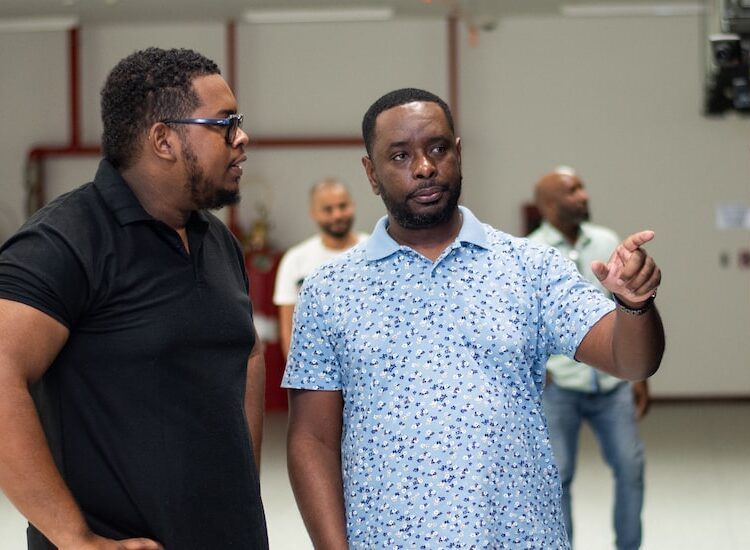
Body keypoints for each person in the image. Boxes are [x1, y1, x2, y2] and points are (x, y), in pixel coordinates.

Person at [283, 88, 665, 549]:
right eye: (400, 155)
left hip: (521, 538)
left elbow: (631, 360)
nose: (424, 167)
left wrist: (635, 304)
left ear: (458, 154)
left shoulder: (529, 267)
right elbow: (312, 440)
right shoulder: (330, 290)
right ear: (371, 172)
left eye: (438, 149)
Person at [0, 47, 268, 549]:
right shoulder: (64, 241)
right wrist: (74, 538)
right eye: (223, 124)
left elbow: (247, 351)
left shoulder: (217, 240)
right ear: (164, 139)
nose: (241, 137)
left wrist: (240, 483)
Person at [528, 166, 649, 550]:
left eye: (581, 187)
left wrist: (639, 375)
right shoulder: (531, 252)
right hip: (560, 387)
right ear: (548, 205)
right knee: (558, 476)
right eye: (572, 190)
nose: (583, 195)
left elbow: (625, 311)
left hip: (612, 384)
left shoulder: (607, 242)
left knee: (630, 469)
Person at [273, 177, 367, 357]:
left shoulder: (374, 250)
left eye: (342, 206)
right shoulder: (295, 259)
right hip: (317, 366)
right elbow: (289, 329)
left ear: (353, 205)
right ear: (313, 213)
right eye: (327, 209)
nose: (337, 215)